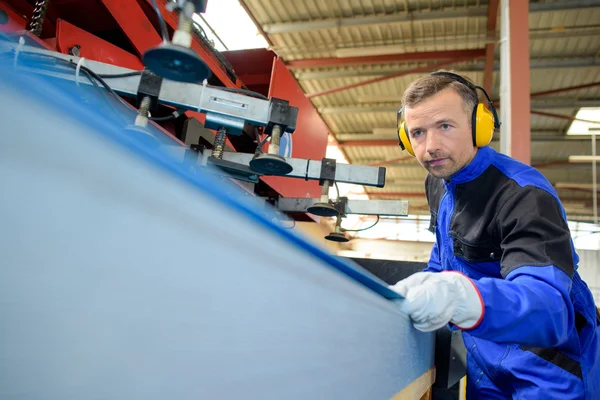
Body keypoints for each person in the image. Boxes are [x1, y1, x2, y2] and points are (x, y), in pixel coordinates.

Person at [389, 70, 600, 399]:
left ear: (479, 127)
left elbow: (550, 312)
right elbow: (444, 256)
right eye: (417, 132)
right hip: (484, 359)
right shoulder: (438, 183)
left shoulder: (524, 195)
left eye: (445, 126)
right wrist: (426, 286)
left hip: (549, 368)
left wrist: (462, 296)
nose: (430, 146)